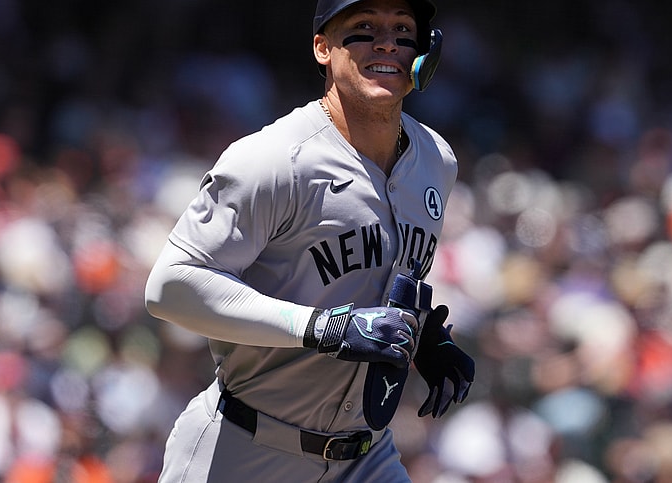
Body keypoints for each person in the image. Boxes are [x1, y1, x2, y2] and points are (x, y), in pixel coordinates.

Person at [144, 0, 474, 480]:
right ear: (323, 47)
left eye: (403, 31)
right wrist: (321, 326)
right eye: (363, 28)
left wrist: (424, 336)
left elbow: (379, 280)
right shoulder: (275, 159)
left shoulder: (436, 161)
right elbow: (169, 287)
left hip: (367, 456)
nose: (388, 43)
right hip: (247, 446)